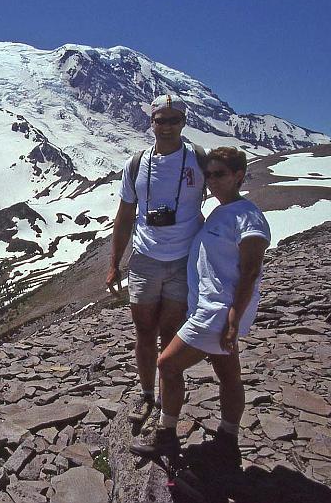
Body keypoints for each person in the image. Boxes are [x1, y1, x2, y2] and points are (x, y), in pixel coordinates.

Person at [130, 146, 271, 465]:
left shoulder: (248, 215)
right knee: (229, 374)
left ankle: (166, 435)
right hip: (210, 308)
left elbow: (251, 270)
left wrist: (234, 317)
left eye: (219, 174)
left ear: (239, 175)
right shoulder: (221, 212)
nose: (212, 181)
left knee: (167, 364)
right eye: (208, 175)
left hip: (218, 312)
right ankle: (227, 439)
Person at [107, 94, 206, 425]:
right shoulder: (136, 163)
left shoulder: (198, 160)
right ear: (151, 122)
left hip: (182, 260)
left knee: (170, 332)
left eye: (173, 120)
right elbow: (124, 216)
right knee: (144, 332)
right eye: (160, 120)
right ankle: (147, 394)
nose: (166, 127)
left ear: (183, 122)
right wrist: (114, 263)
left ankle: (166, 404)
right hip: (145, 260)